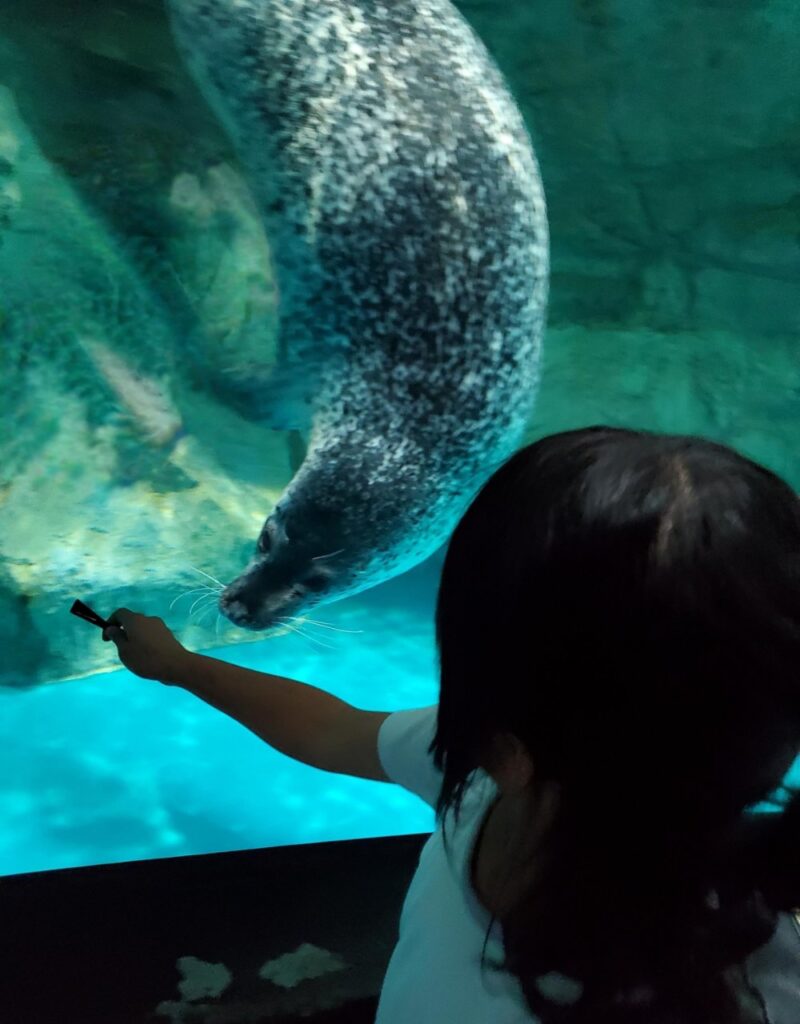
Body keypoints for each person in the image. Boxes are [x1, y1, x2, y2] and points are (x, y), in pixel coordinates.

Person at [103, 426, 800, 1023]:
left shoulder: (488, 789)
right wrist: (179, 666)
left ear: (503, 739)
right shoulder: (497, 778)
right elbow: (335, 731)